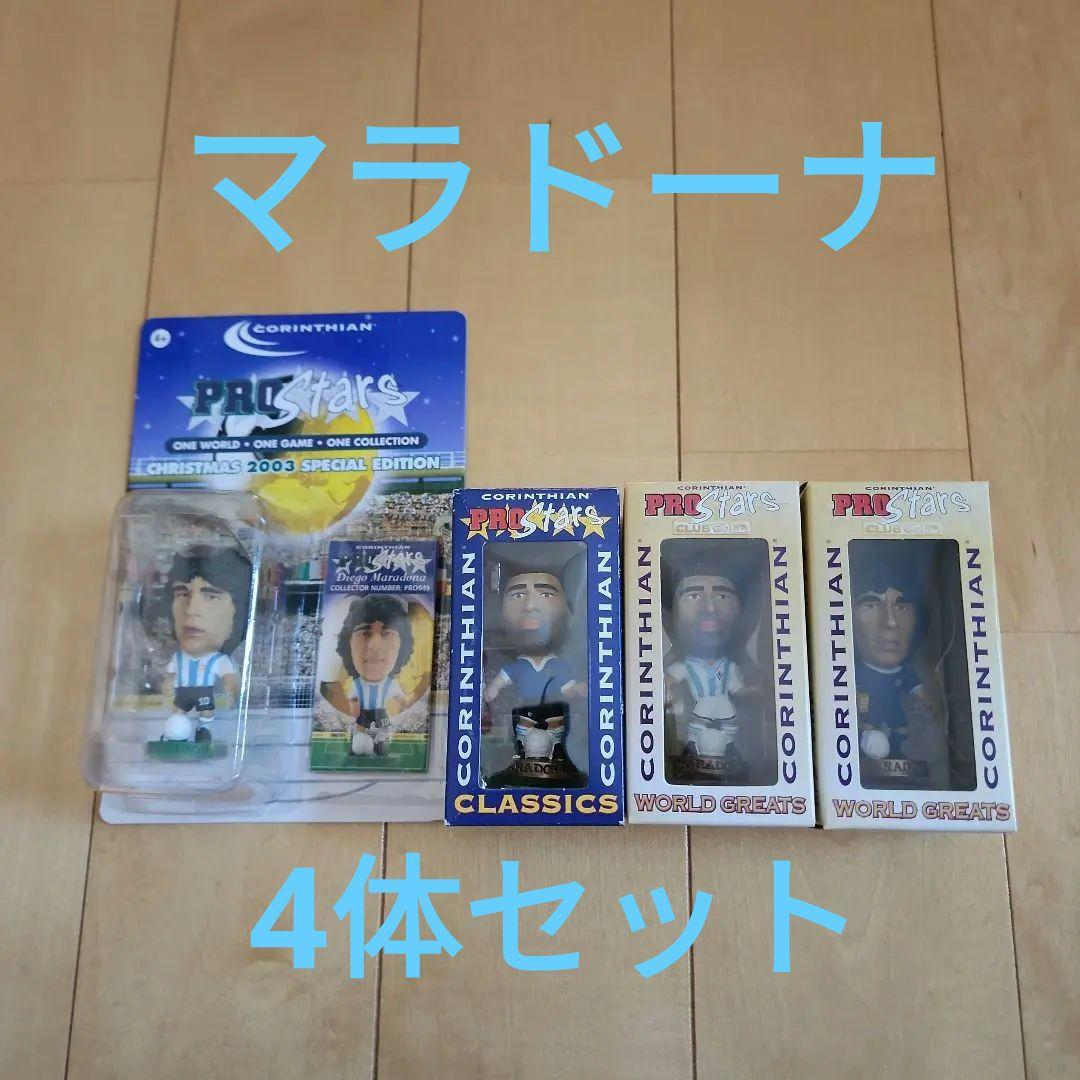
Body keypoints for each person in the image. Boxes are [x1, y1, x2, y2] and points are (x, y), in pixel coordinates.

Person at [849, 541, 942, 781]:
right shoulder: (852, 674)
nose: (889, 622)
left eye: (901, 607)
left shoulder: (908, 675)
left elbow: (922, 699)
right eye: (871, 605)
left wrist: (925, 708)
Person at [485, 559, 585, 766]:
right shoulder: (516, 667)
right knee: (523, 738)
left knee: (555, 738)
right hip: (525, 711)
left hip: (554, 712)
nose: (530, 606)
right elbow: (499, 683)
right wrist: (491, 691)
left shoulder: (558, 666)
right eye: (518, 595)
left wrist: (578, 690)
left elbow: (568, 688)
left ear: (568, 609)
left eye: (546, 595)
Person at [663, 545, 755, 770]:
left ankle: (728, 749)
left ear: (742, 612)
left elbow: (739, 690)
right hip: (702, 708)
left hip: (724, 707)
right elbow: (669, 680)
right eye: (693, 595)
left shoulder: (731, 667)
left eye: (722, 596)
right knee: (697, 730)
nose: (710, 608)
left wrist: (757, 693)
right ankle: (692, 749)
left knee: (728, 728)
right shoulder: (685, 666)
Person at [159, 544, 252, 744]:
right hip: (182, 697)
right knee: (178, 713)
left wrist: (231, 689)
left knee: (206, 712)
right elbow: (170, 677)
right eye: (182, 594)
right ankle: (172, 734)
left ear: (240, 610)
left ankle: (204, 732)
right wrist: (167, 685)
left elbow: (229, 680)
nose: (191, 610)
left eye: (210, 596)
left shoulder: (219, 660)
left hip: (206, 697)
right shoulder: (178, 658)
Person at [334, 594, 413, 755]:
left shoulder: (391, 684)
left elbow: (403, 702)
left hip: (381, 715)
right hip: (363, 716)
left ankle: (380, 747)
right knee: (360, 738)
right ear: (348, 644)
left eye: (387, 633)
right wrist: (355, 718)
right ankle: (359, 746)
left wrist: (407, 713)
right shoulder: (357, 685)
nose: (375, 645)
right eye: (365, 633)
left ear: (402, 645)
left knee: (382, 736)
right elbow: (353, 702)